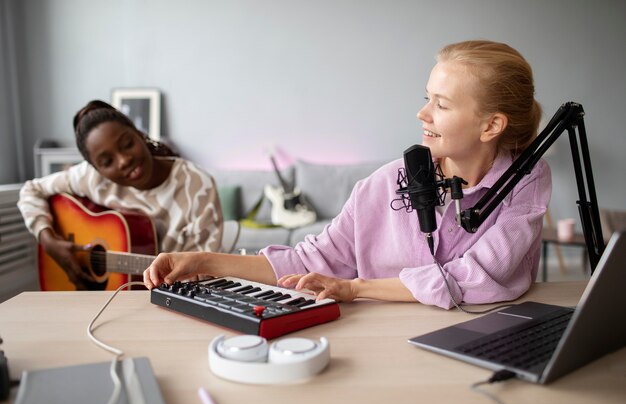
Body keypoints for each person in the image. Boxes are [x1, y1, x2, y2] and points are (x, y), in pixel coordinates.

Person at [143, 40, 551, 309]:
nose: (422, 113)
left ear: (491, 126)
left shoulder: (527, 180)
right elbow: (305, 261)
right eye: (426, 98)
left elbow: (481, 274)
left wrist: (357, 288)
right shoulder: (382, 186)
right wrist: (204, 261)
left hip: (491, 333)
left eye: (441, 104)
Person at [19, 100, 223, 289]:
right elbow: (31, 190)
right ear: (96, 169)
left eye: (127, 144)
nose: (123, 160)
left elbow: (204, 272)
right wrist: (49, 241)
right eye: (107, 162)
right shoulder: (91, 179)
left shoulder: (197, 185)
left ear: (140, 134)